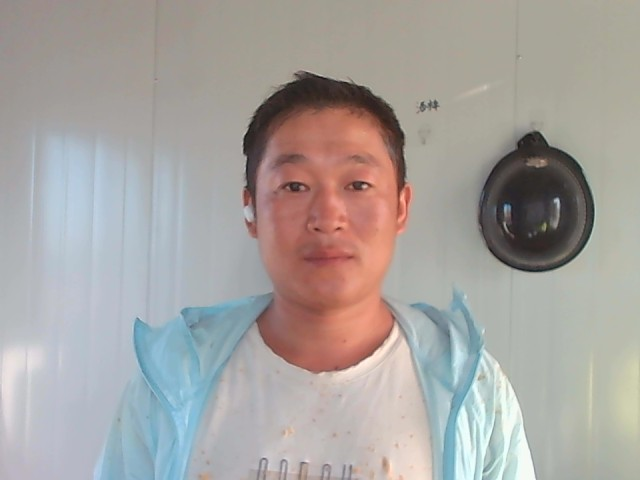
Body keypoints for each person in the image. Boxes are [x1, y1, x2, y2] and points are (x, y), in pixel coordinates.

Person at [94, 72, 536, 480]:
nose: (327, 217)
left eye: (358, 185)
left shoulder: (469, 386)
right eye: (294, 186)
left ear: (401, 207)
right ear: (251, 210)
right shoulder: (173, 379)